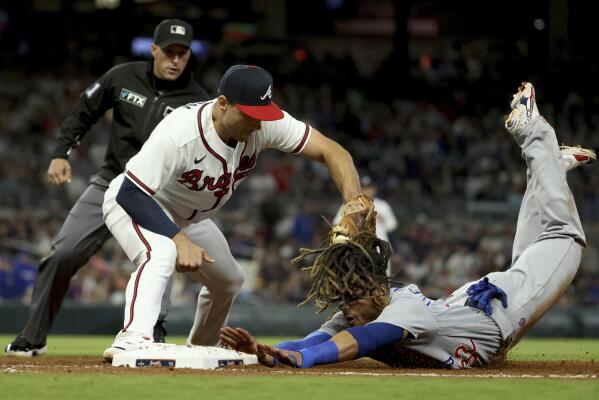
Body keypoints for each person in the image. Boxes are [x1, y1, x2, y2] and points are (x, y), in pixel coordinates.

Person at [220, 82, 596, 369]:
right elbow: (309, 342)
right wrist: (265, 353)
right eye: (345, 298)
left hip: (503, 310)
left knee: (564, 237)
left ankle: (533, 133)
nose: (346, 307)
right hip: (474, 304)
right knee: (538, 247)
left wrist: (299, 361)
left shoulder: (400, 309)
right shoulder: (360, 309)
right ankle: (551, 166)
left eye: (352, 297)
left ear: (377, 289)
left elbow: (363, 340)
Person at [101, 64, 364, 361]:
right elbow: (131, 193)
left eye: (262, 114)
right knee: (161, 251)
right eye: (250, 114)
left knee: (229, 280)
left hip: (190, 217)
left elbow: (334, 152)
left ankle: (202, 349)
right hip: (139, 202)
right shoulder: (180, 132)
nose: (257, 123)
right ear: (223, 103)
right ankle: (132, 339)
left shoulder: (264, 122)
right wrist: (178, 239)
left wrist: (353, 203)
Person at [5, 19, 210, 357]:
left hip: (159, 194)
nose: (175, 60)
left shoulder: (197, 101)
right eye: (169, 52)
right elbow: (83, 112)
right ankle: (33, 335)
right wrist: (60, 154)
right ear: (153, 50)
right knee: (64, 252)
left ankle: (153, 331)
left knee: (160, 255)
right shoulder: (122, 76)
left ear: (189, 55)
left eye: (182, 53)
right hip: (112, 180)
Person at [333, 175, 397, 275]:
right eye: (364, 187)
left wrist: (382, 220)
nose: (367, 190)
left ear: (374, 188)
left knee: (383, 279)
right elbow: (336, 224)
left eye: (369, 187)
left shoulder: (383, 205)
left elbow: (392, 226)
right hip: (358, 248)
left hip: (381, 248)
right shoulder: (352, 205)